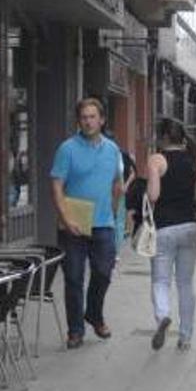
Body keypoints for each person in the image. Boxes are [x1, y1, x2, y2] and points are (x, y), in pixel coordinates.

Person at [51, 98, 123, 349]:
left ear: (102, 120)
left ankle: (93, 313)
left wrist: (116, 214)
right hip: (73, 224)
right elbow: (57, 187)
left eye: (93, 117)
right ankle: (76, 330)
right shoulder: (67, 149)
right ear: (78, 121)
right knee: (73, 278)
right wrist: (66, 218)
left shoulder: (113, 150)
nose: (88, 121)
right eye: (84, 117)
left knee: (103, 273)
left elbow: (117, 183)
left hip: (103, 224)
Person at [147, 118, 196, 352]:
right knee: (185, 283)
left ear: (163, 138)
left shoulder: (157, 160)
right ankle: (186, 336)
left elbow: (153, 195)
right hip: (191, 227)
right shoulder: (194, 161)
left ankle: (162, 316)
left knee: (161, 280)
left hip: (164, 228)